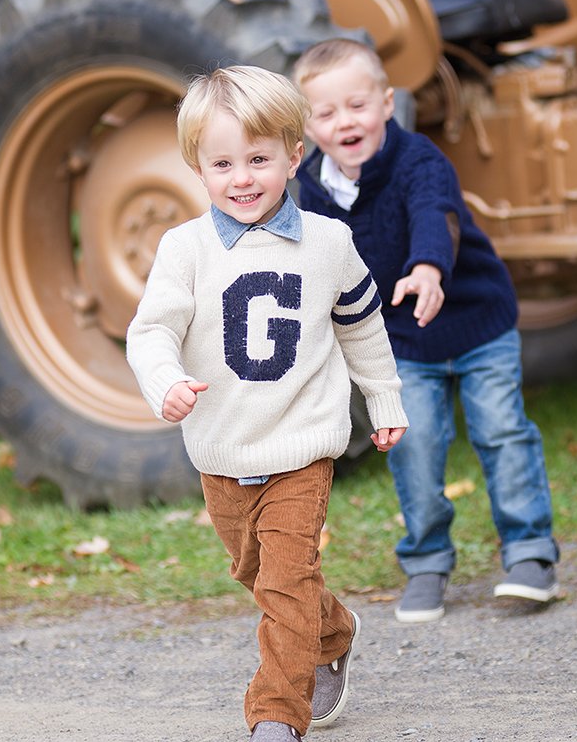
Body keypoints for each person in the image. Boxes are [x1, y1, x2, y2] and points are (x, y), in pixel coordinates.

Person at [126, 64, 409, 741]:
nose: (242, 177)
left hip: (303, 444)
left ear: (294, 154)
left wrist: (385, 397)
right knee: (259, 573)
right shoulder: (184, 249)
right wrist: (164, 380)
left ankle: (276, 715)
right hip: (221, 448)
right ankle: (333, 628)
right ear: (197, 165)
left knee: (285, 583)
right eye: (223, 163)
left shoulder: (328, 244)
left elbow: (362, 325)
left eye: (258, 158)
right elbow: (152, 330)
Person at [293, 38, 560, 623]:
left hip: (475, 323)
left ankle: (530, 552)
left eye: (358, 105)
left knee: (501, 430)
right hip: (403, 342)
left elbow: (434, 213)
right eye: (327, 113)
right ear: (306, 126)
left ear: (388, 104)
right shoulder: (311, 192)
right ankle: (428, 560)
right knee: (412, 442)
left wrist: (428, 268)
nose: (345, 123)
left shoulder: (420, 160)